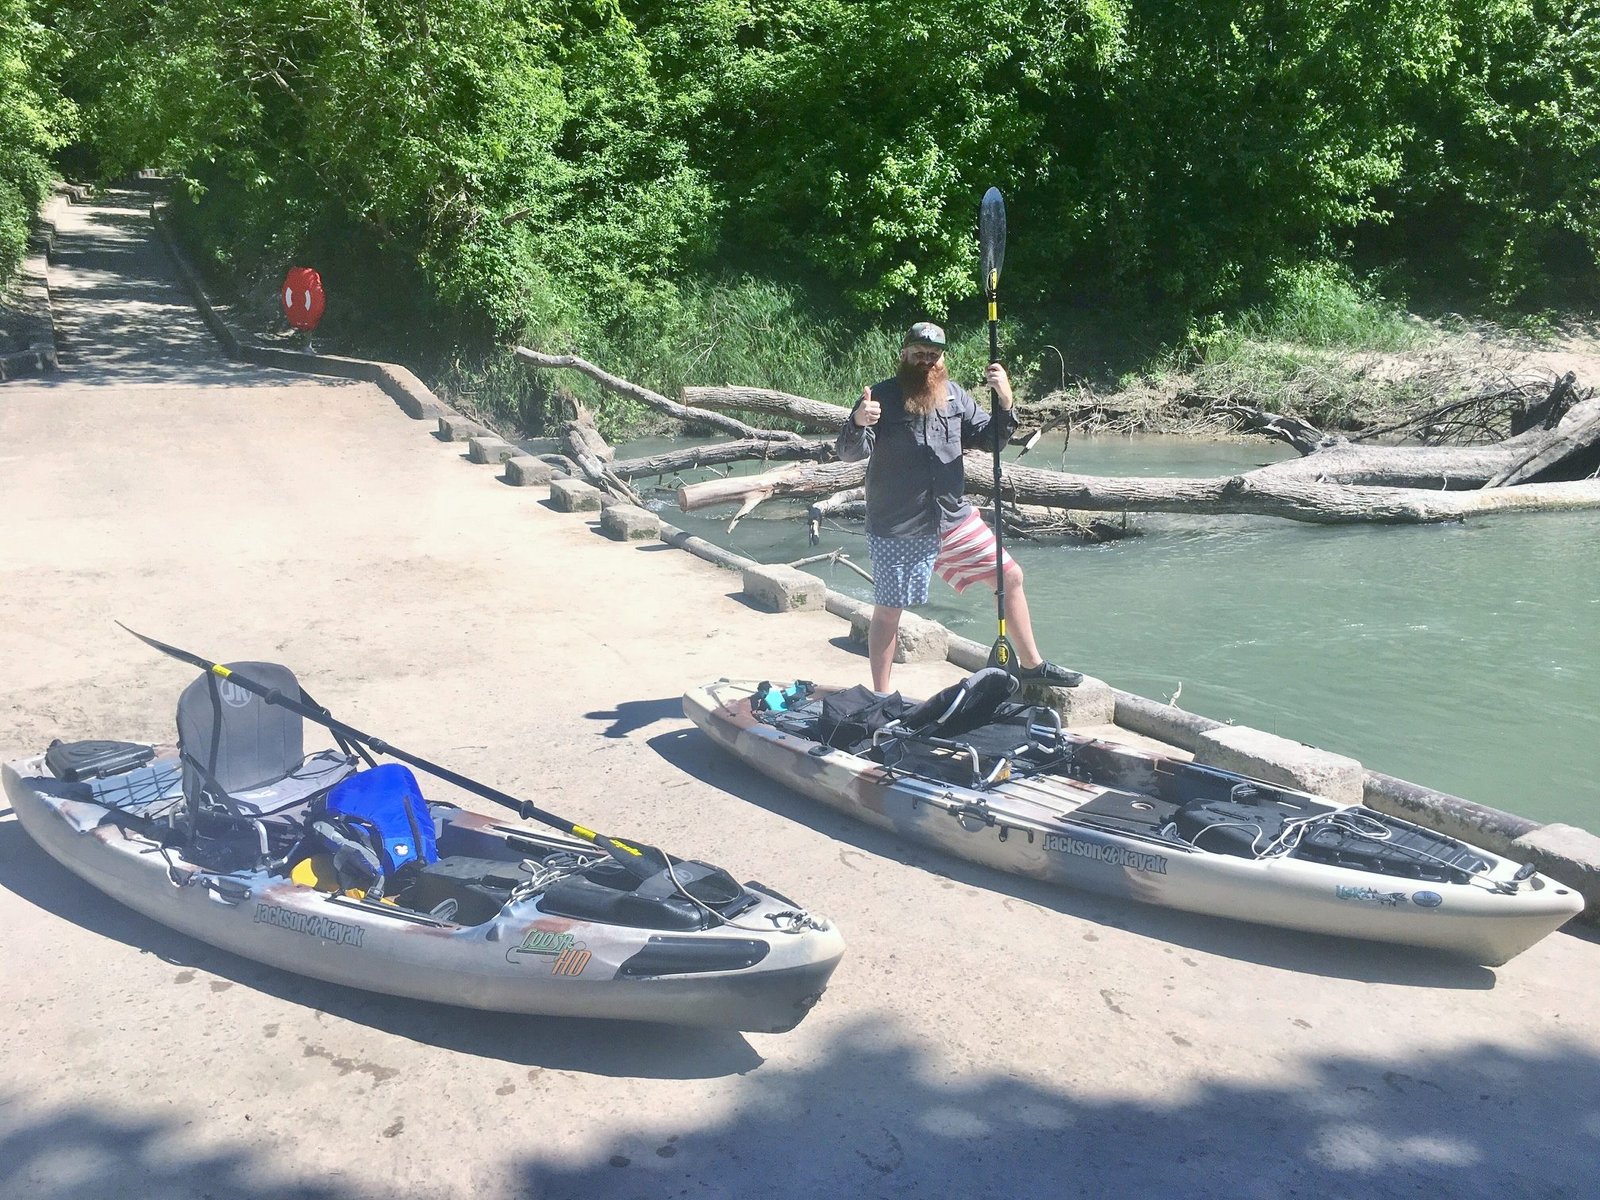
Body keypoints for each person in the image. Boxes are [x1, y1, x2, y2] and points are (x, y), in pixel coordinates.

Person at [836, 321, 1084, 693]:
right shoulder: (880, 399)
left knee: (1010, 577)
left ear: (941, 359)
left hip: (951, 517)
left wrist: (1005, 402)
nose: (926, 361)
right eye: (919, 353)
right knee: (889, 611)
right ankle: (881, 695)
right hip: (898, 524)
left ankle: (1032, 666)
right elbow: (848, 453)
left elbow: (990, 441)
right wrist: (857, 422)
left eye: (933, 355)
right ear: (904, 354)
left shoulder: (954, 396)